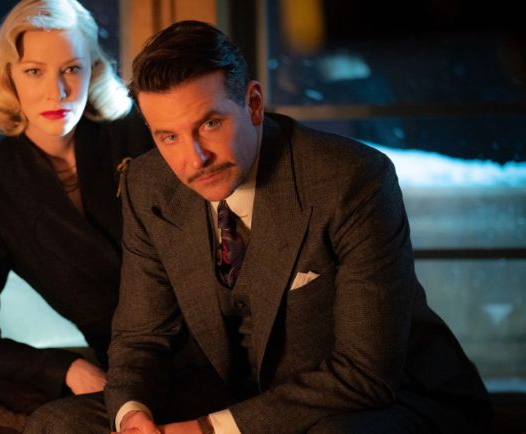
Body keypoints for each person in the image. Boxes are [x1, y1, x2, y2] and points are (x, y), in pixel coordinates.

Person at [27, 21, 492, 433]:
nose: (194, 159)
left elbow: (365, 374)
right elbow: (141, 337)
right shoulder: (148, 183)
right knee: (59, 424)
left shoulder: (352, 179)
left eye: (210, 123)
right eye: (168, 136)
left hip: (382, 399)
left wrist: (208, 430)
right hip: (233, 395)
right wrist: (135, 417)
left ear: (252, 103)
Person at [0, 0, 153, 403]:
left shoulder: (141, 132)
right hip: (134, 375)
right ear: (9, 77)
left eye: (71, 69)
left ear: (93, 70)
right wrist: (64, 369)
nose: (56, 91)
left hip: (229, 340)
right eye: (34, 71)